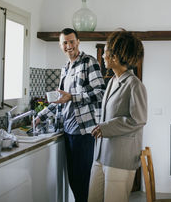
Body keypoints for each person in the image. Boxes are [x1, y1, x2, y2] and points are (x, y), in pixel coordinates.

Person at [35, 28, 106, 202]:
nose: (69, 46)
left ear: (78, 42)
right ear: (60, 46)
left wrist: (73, 97)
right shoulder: (65, 69)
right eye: (65, 43)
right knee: (74, 181)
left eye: (72, 41)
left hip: (84, 133)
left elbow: (100, 93)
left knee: (84, 182)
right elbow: (61, 100)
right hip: (67, 132)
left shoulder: (89, 62)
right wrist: (41, 116)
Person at [88, 31, 147, 202]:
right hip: (100, 155)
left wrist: (105, 128)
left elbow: (138, 120)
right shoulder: (113, 80)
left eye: (106, 51)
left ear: (115, 56)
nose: (104, 56)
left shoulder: (135, 85)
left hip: (119, 159)